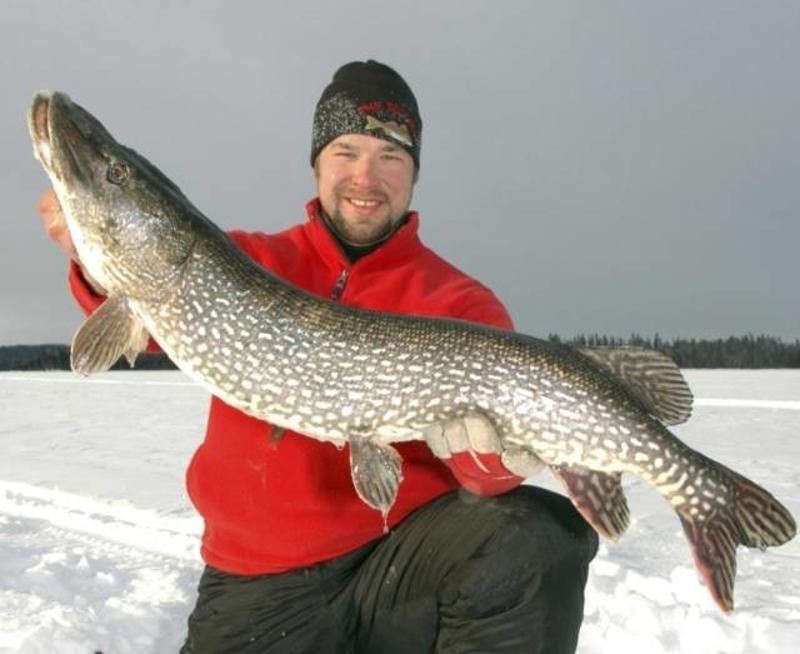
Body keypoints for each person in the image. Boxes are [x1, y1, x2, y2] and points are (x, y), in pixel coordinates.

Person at [37, 60, 598, 653]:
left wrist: (493, 458)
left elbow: (487, 481)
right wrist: (96, 262)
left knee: (536, 536)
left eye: (390, 156)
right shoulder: (248, 259)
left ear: (413, 174)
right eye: (346, 152)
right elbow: (142, 321)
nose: (366, 177)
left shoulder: (461, 304)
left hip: (400, 570)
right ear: (317, 163)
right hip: (256, 585)